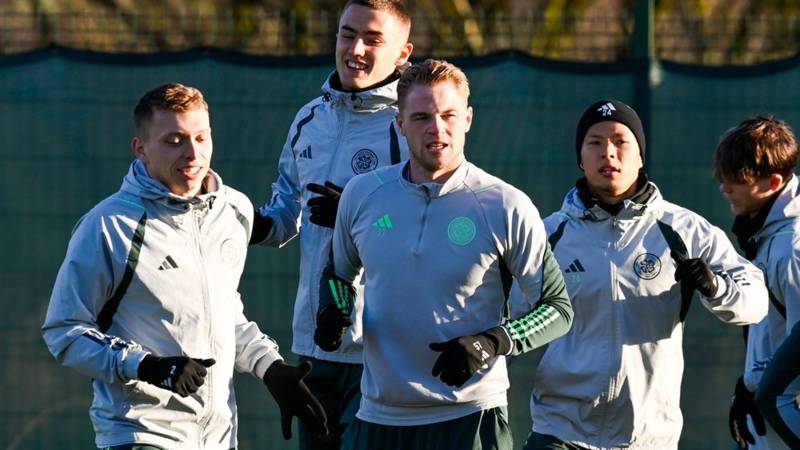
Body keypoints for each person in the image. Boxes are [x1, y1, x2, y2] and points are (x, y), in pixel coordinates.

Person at [41, 83, 327, 450]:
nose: (193, 153)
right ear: (140, 149)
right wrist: (146, 366)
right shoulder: (109, 224)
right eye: (174, 140)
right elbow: (64, 332)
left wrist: (269, 367)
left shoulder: (233, 209)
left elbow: (223, 312)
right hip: (140, 434)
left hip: (220, 438)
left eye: (200, 137)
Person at [313, 58, 573, 450]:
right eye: (421, 117)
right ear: (399, 123)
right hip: (379, 417)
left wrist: (493, 341)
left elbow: (558, 308)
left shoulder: (505, 205)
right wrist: (333, 309)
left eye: (448, 115)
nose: (436, 129)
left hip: (469, 418)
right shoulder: (363, 194)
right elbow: (339, 274)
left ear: (468, 118)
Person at [524, 100, 769, 450]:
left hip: (649, 437)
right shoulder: (547, 235)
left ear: (641, 156)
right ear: (580, 157)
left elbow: (755, 301)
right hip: (560, 432)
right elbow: (504, 309)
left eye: (621, 141)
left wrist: (715, 286)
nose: (608, 152)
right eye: (594, 142)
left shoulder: (683, 229)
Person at [250, 1, 413, 448]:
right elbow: (285, 213)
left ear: (403, 53)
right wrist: (241, 222)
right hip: (315, 343)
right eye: (347, 34)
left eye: (374, 39)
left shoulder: (413, 122)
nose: (356, 48)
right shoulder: (308, 120)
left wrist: (357, 215)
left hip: (384, 350)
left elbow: (428, 227)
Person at [713, 116, 800, 449]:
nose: (725, 187)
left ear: (774, 181)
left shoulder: (791, 247)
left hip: (785, 412)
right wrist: (746, 385)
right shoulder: (766, 235)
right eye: (724, 177)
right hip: (766, 411)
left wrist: (764, 390)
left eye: (738, 179)